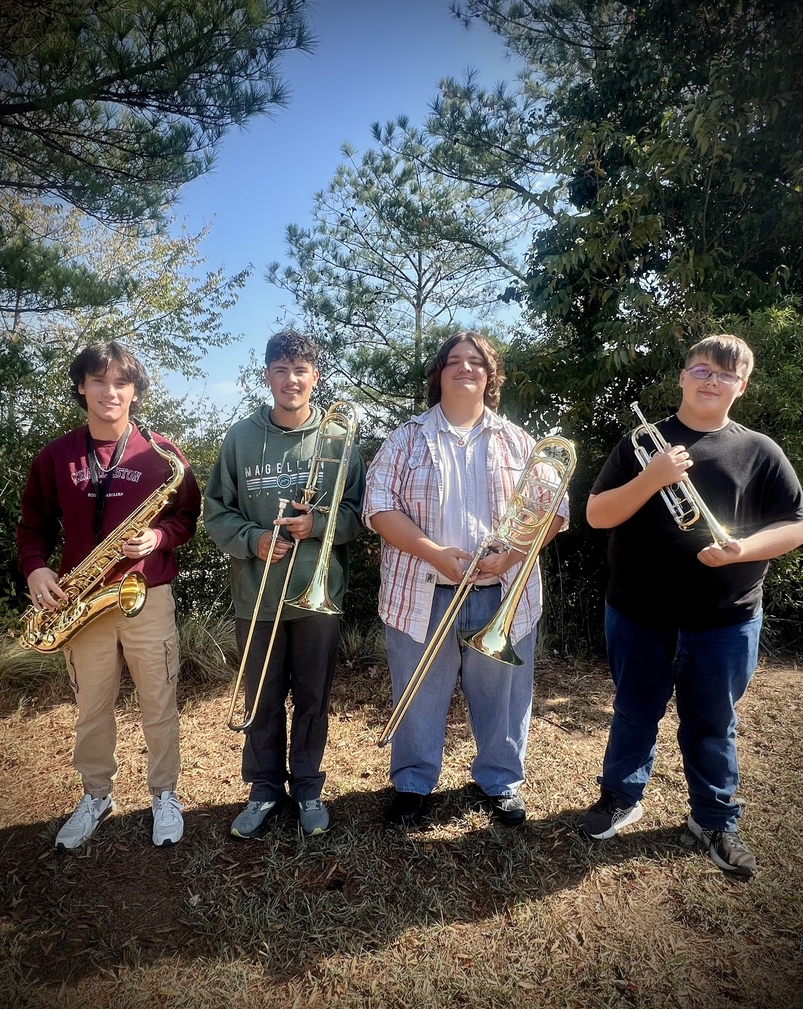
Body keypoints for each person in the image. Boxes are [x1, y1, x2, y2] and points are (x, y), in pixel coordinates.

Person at [577, 334, 803, 878]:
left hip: (726, 618)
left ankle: (714, 819)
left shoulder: (759, 450)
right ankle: (621, 798)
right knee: (635, 710)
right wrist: (652, 478)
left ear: (741, 387)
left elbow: (796, 525)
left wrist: (742, 550)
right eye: (701, 368)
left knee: (713, 723)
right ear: (682, 377)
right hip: (638, 612)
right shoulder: (641, 443)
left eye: (724, 374)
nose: (710, 379)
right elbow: (597, 515)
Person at [363, 331, 569, 828]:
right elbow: (378, 508)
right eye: (453, 361)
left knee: (504, 697)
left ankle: (500, 781)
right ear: (439, 374)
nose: (464, 368)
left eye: (475, 362)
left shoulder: (520, 441)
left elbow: (553, 511)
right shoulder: (406, 437)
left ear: (489, 375)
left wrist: (513, 554)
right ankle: (413, 783)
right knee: (416, 694)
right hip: (421, 592)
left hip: (502, 593)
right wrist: (434, 553)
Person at [17, 341, 202, 852]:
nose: (110, 391)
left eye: (121, 382)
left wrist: (158, 538)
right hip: (82, 603)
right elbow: (32, 526)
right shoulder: (55, 456)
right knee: (91, 709)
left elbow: (186, 518)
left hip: (149, 594)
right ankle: (96, 794)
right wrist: (35, 570)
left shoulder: (163, 455)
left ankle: (165, 793)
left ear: (136, 391)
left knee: (159, 702)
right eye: (99, 381)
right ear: (82, 386)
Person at [204, 329, 365, 839]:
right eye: (281, 370)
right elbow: (215, 511)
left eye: (300, 370)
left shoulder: (339, 439)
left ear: (314, 377)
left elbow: (360, 516)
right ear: (267, 375)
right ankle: (265, 789)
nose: (290, 379)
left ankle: (310, 787)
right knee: (262, 699)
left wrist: (315, 525)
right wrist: (252, 540)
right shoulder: (240, 437)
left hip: (318, 595)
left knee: (314, 697)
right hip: (258, 594)